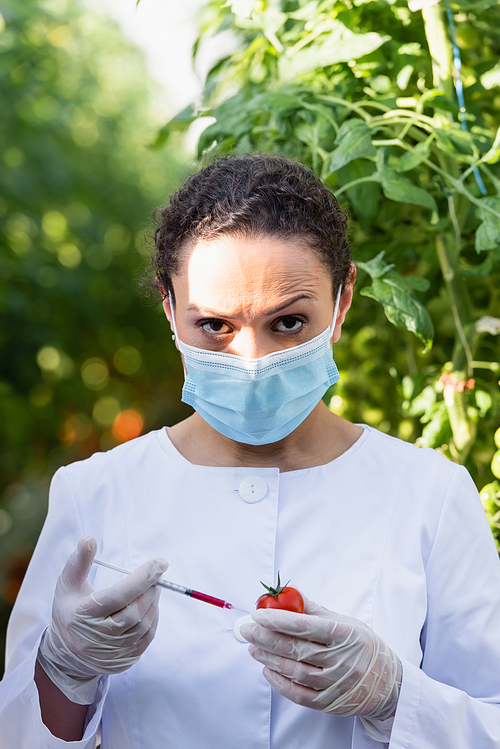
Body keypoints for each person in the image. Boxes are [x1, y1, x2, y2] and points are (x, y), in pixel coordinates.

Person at [1, 154, 500, 749]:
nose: (253, 360)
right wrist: (65, 671)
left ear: (341, 304)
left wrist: (397, 699)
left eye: (288, 323)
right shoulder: (95, 493)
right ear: (169, 309)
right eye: (214, 325)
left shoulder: (430, 494)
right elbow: (18, 734)